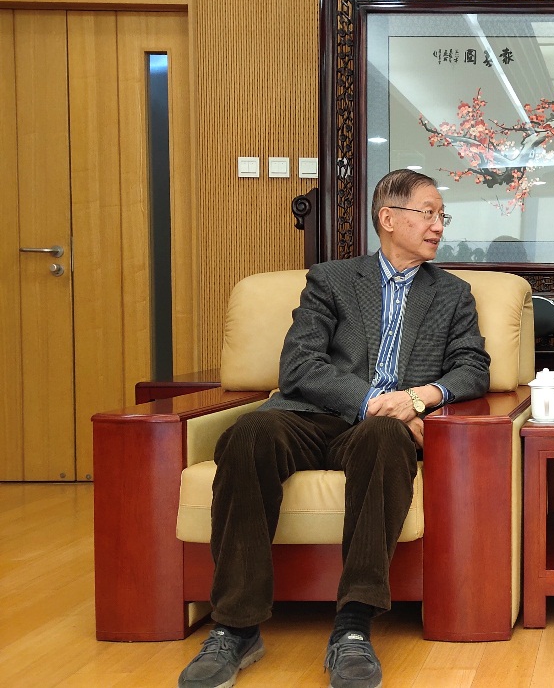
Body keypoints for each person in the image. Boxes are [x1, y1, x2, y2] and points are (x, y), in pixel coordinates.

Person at [177, 169, 490, 688]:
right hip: (312, 414)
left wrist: (416, 399)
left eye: (442, 216)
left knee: (385, 437)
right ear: (388, 218)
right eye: (428, 213)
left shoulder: (452, 293)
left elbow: (472, 367)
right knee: (249, 435)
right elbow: (299, 365)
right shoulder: (332, 279)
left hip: (386, 430)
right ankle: (236, 626)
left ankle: (353, 626)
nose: (439, 226)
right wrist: (371, 401)